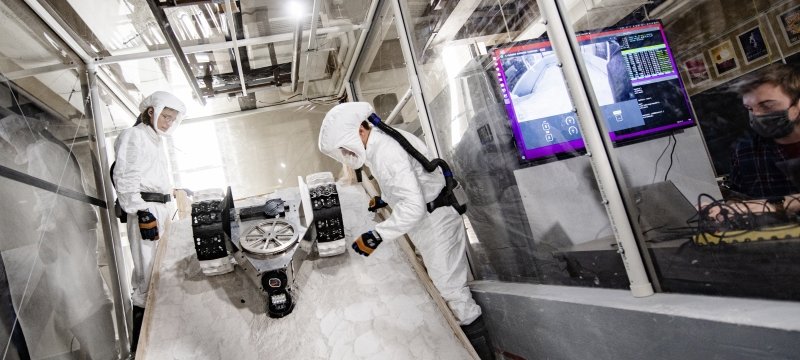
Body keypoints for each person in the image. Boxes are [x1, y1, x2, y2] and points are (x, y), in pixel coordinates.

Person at [318, 102, 495, 359]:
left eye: (344, 147)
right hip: (429, 221)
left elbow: (413, 208)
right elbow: (410, 183)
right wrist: (384, 200)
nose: (345, 153)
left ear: (358, 131)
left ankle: (480, 352)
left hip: (436, 224)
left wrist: (377, 235)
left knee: (452, 292)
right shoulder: (380, 142)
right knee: (447, 286)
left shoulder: (385, 151)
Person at [0, 114, 116, 359]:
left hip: (66, 231)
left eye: (7, 142)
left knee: (78, 294)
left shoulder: (40, 152)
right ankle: (97, 351)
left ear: (19, 136)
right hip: (72, 228)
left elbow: (50, 198)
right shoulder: (49, 149)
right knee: (82, 292)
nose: (8, 148)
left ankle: (100, 351)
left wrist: (46, 233)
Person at [113, 91, 185, 351]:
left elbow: (151, 176)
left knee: (158, 270)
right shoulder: (134, 136)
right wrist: (141, 212)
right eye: (165, 116)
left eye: (172, 119)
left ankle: (156, 342)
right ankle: (139, 349)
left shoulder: (154, 140)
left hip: (159, 208)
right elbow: (125, 176)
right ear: (152, 111)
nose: (167, 122)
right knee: (147, 275)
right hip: (147, 210)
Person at [715, 63, 800, 218]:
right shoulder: (744, 151)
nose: (757, 116)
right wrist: (729, 211)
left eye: (767, 106)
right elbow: (738, 197)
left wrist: (774, 206)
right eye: (750, 109)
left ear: (797, 105)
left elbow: (764, 206)